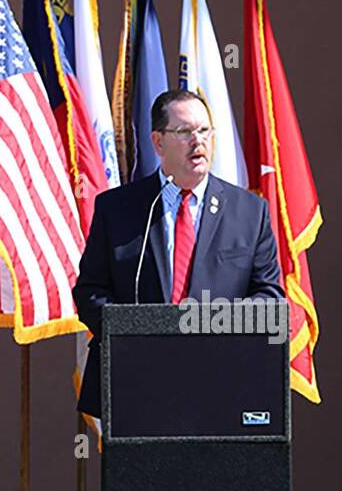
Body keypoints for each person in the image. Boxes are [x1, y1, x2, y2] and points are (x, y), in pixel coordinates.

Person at [74, 89, 284, 418]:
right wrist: (135, 335)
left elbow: (269, 299)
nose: (197, 141)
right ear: (158, 142)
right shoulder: (118, 209)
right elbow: (90, 292)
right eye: (185, 132)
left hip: (223, 383)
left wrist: (205, 323)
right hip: (135, 385)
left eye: (204, 131)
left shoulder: (249, 212)